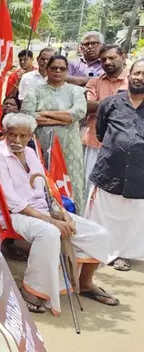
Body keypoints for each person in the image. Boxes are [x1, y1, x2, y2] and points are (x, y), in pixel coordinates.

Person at [0, 113, 117, 314]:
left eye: (22, 136)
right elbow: (12, 201)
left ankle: (85, 283)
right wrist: (51, 222)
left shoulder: (30, 153)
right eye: (12, 135)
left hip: (45, 210)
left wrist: (62, 213)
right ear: (4, 133)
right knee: (49, 233)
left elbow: (46, 189)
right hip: (16, 215)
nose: (17, 141)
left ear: (30, 135)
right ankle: (32, 291)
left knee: (100, 234)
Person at [87, 59, 144, 272]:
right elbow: (101, 133)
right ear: (129, 75)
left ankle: (126, 253)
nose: (140, 78)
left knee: (133, 218)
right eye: (137, 73)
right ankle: (107, 251)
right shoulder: (110, 103)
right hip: (110, 171)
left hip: (140, 174)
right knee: (106, 215)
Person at [21, 55, 88, 214]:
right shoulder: (35, 91)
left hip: (69, 149)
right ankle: (45, 217)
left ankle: (74, 217)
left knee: (71, 182)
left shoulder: (76, 91)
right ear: (47, 69)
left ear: (67, 71)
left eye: (62, 68)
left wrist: (44, 113)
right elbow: (28, 114)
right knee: (41, 180)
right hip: (42, 147)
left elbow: (76, 114)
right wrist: (62, 119)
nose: (58, 71)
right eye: (54, 68)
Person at [83, 44, 127, 197]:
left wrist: (102, 104)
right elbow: (88, 106)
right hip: (96, 142)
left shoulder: (134, 80)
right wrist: (121, 102)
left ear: (123, 57)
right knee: (91, 187)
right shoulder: (94, 82)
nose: (107, 62)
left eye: (112, 58)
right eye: (103, 60)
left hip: (125, 145)